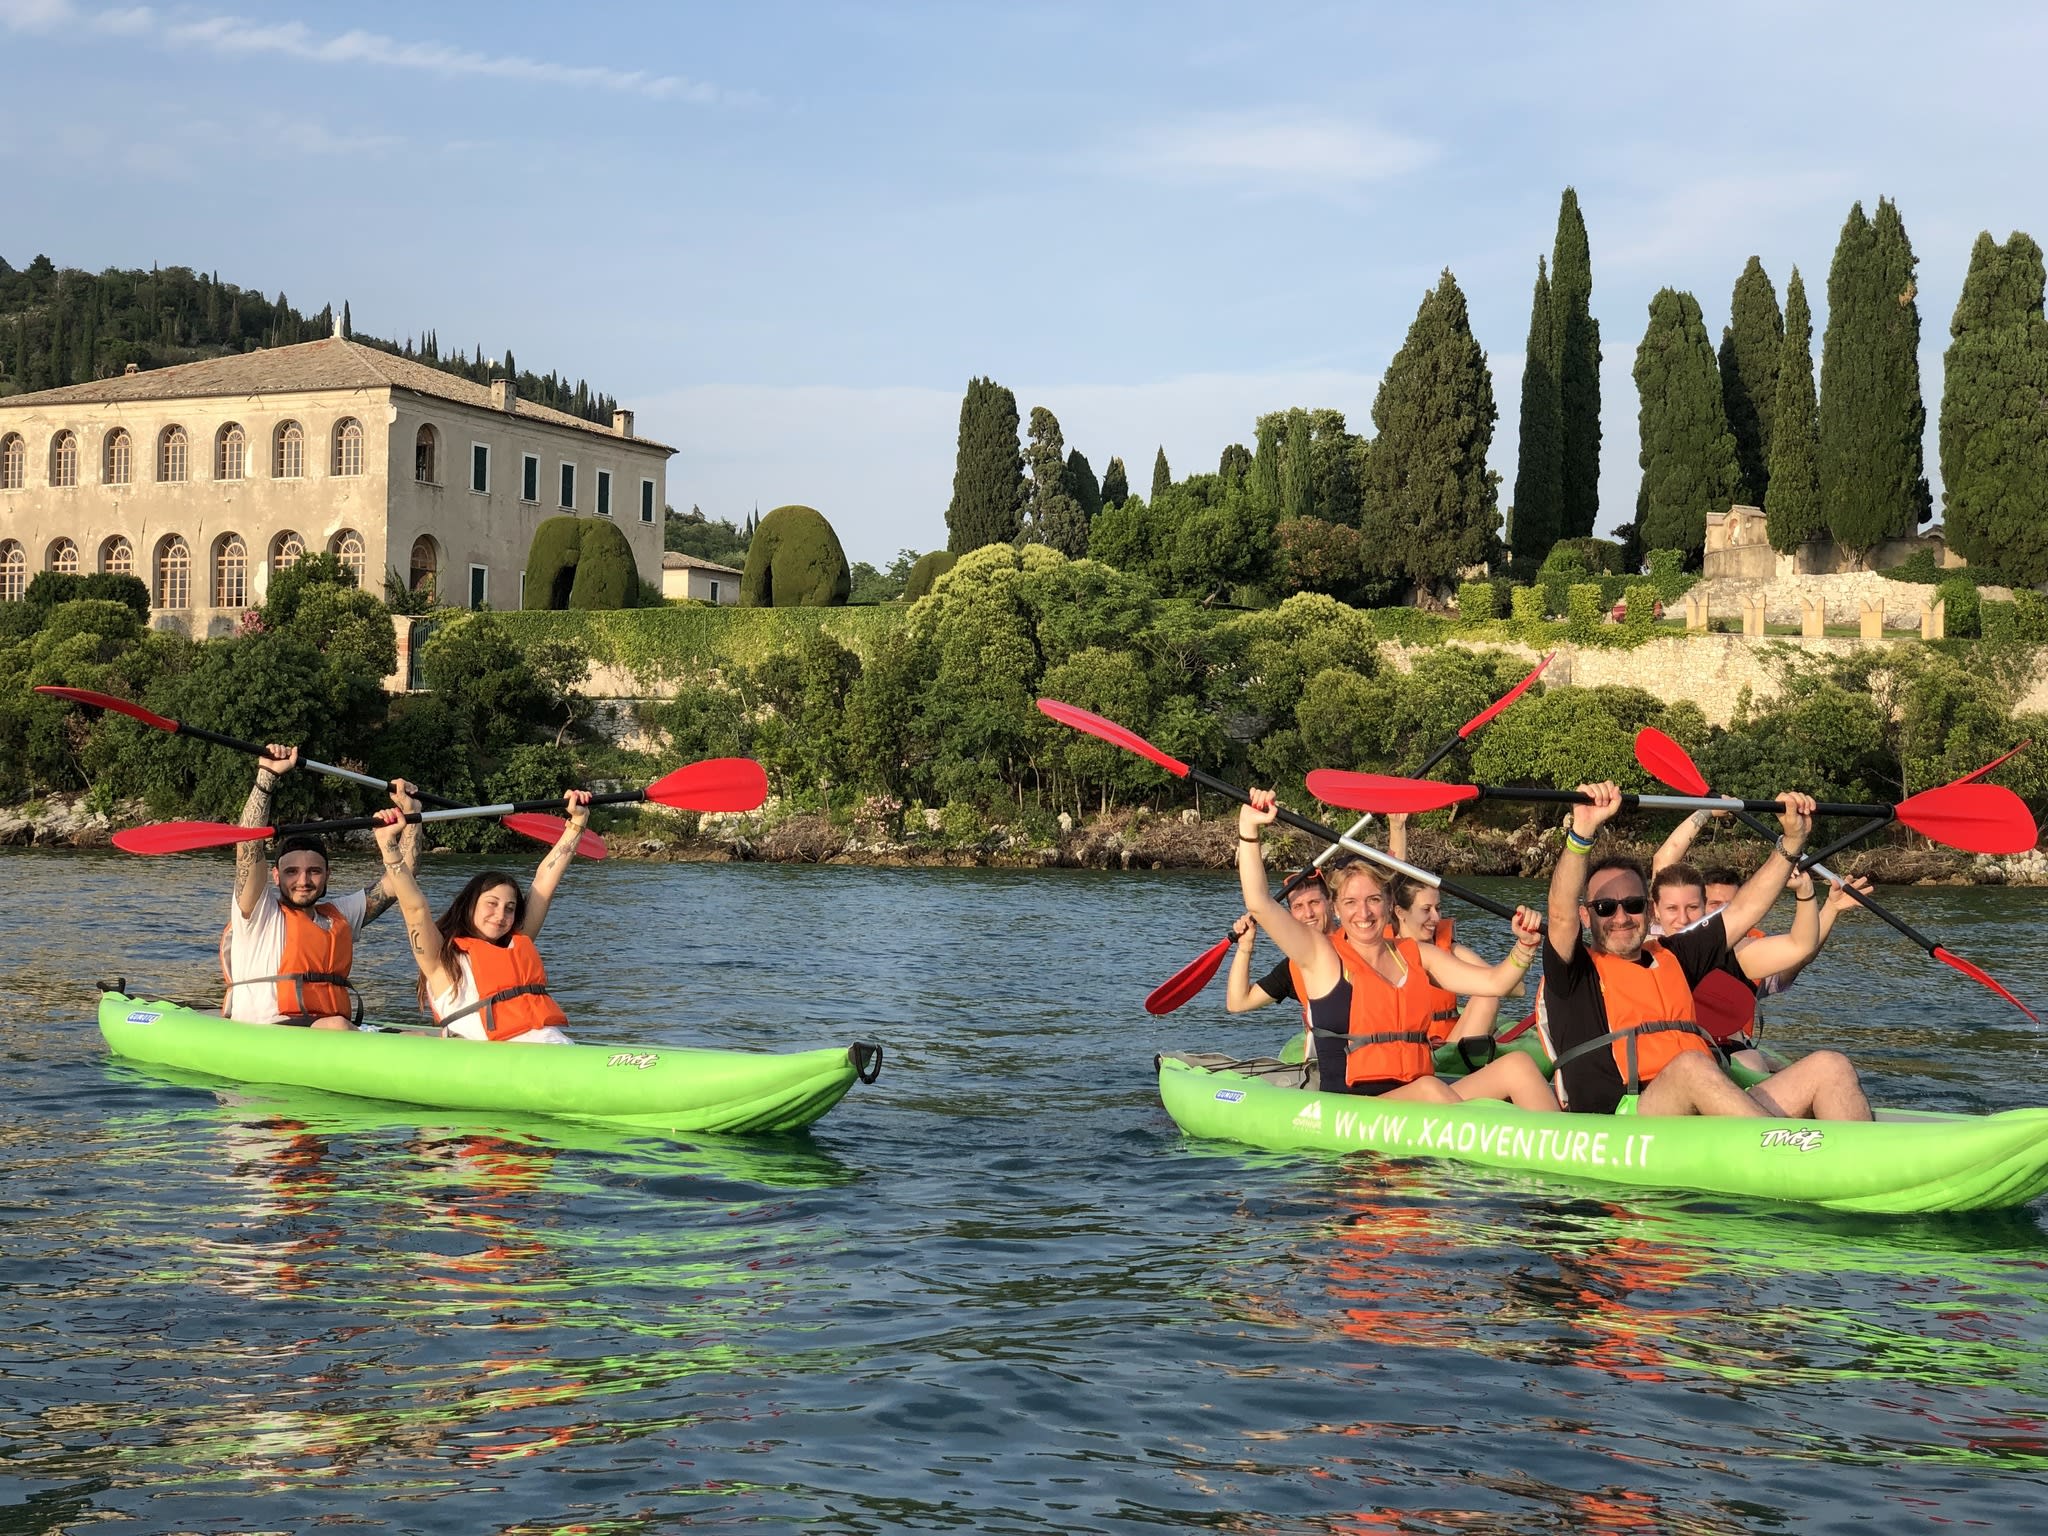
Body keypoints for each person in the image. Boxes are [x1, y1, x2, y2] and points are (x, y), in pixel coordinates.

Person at [1540, 782, 1871, 1120]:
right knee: (1689, 1066)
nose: (1621, 917)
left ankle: (1860, 1161)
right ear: (1586, 915)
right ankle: (1775, 1150)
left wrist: (1791, 842)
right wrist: (1582, 833)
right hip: (1627, 1117)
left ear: (1650, 912)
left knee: (1830, 1066)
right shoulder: (1572, 971)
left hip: (1705, 1108)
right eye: (1605, 907)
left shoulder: (1676, 955)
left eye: (1634, 905)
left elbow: (1743, 910)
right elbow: (1560, 913)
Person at [1238, 788, 1559, 1111]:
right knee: (1430, 1089)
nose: (1363, 914)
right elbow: (1260, 903)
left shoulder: (1415, 954)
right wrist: (1249, 831)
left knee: (1517, 1066)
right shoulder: (1322, 957)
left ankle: (1564, 1150)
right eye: (1351, 903)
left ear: (1390, 904)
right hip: (1355, 1107)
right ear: (1336, 909)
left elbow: (1496, 984)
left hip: (1419, 1096)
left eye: (1373, 900)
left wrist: (1525, 946)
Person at [221, 745, 420, 1029]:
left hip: (330, 1032)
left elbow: (403, 878)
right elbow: (248, 848)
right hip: (270, 1033)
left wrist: (411, 816)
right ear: (275, 877)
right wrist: (266, 776)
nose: (303, 881)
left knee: (420, 1037)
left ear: (328, 875)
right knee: (337, 1026)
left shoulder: (339, 915)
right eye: (292, 872)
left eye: (314, 871)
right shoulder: (258, 913)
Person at [371, 790, 594, 1044]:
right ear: (470, 905)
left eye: (510, 908)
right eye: (492, 903)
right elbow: (415, 908)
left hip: (555, 1048)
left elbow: (545, 881)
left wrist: (577, 822)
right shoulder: (440, 960)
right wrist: (388, 846)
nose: (500, 915)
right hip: (498, 1062)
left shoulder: (517, 942)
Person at [1648, 859, 1871, 1071]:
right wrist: (1704, 815)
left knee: (1761, 1062)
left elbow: (1800, 949)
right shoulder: (1642, 948)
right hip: (1668, 1056)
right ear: (1656, 911)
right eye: (1672, 909)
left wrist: (1822, 903)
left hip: (1727, 1051)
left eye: (1693, 907)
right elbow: (1664, 859)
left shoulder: (1741, 950)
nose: (1683, 918)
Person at [1382, 875, 1509, 1045]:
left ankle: (1455, 1060)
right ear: (1400, 913)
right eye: (1426, 910)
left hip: (1448, 1045)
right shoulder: (1382, 952)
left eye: (1438, 908)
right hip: (1403, 1046)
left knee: (1488, 996)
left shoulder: (1451, 950)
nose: (1436, 918)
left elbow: (1514, 987)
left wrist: (1524, 949)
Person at [1225, 868, 1332, 1015]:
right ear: (1290, 914)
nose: (1308, 914)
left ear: (1330, 902)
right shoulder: (1293, 966)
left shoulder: (1359, 942)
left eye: (1314, 902)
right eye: (1298, 906)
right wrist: (1245, 947)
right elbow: (1237, 1003)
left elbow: (1259, 903)